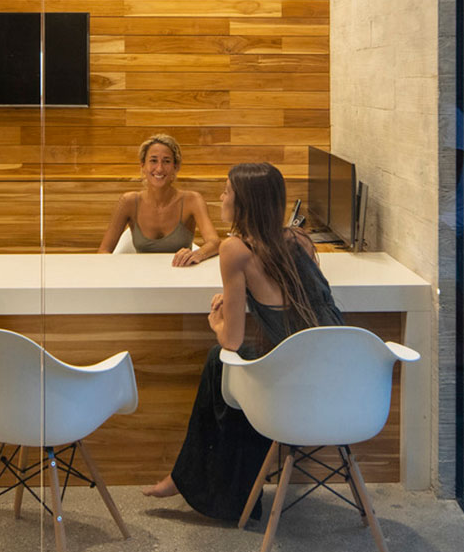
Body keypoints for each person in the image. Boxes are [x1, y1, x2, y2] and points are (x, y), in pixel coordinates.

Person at [142, 162, 344, 519]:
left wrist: (217, 321)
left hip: (287, 392)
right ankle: (203, 483)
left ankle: (197, 482)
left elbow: (232, 341)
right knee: (224, 369)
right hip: (335, 383)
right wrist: (243, 298)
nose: (220, 197)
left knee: (220, 358)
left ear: (244, 204)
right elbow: (294, 302)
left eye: (226, 192)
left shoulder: (236, 249)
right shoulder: (300, 240)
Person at [99, 134, 220, 266]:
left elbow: (214, 242)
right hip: (140, 278)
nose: (160, 168)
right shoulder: (128, 202)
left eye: (167, 161)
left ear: (176, 166)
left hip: (182, 276)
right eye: (153, 160)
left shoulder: (192, 200)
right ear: (143, 165)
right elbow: (104, 251)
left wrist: (198, 254)